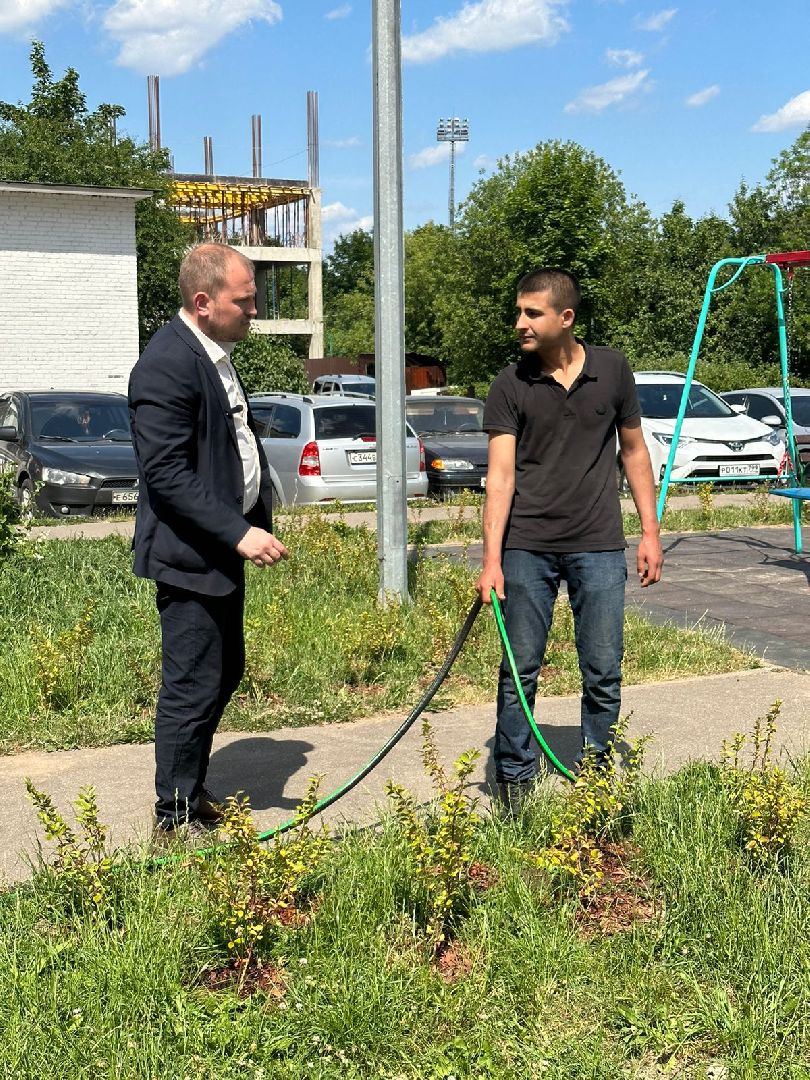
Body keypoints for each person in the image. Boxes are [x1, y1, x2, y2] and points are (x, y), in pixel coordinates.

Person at [475, 268, 663, 811]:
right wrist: (492, 561)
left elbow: (634, 452)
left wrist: (650, 533)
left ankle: (597, 773)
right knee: (519, 672)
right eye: (518, 312)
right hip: (526, 548)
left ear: (566, 318)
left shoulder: (613, 369)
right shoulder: (510, 384)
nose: (520, 324)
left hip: (599, 545)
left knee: (602, 669)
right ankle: (514, 782)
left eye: (531, 313)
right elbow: (502, 477)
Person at [128, 242, 288, 837]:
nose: (254, 310)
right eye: (243, 300)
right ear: (203, 301)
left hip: (221, 548)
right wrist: (238, 530)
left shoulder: (214, 354)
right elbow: (166, 476)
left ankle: (190, 790)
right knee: (193, 681)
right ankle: (173, 817)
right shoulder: (166, 364)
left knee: (224, 671)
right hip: (190, 553)